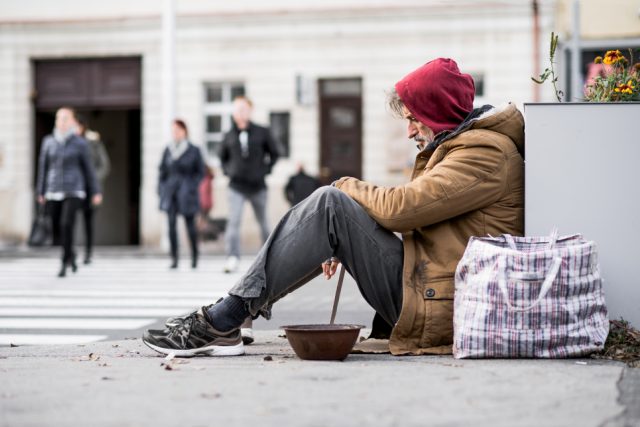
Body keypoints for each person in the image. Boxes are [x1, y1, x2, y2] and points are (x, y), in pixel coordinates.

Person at [142, 58, 524, 357]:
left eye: (413, 119)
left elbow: (403, 209)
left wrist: (345, 187)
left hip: (443, 307)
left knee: (332, 201)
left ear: (439, 111)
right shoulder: (461, 147)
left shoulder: (484, 152)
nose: (409, 130)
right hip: (432, 290)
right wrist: (346, 241)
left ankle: (224, 319)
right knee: (335, 211)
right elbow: (422, 220)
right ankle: (231, 315)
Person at [36, 107, 102, 277]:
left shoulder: (80, 143)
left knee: (67, 223)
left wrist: (95, 191)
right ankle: (71, 254)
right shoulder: (48, 141)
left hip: (75, 190)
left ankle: (64, 262)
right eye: (59, 118)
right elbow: (43, 168)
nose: (62, 121)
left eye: (65, 118)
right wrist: (40, 191)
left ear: (72, 121)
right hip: (53, 190)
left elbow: (89, 169)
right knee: (57, 227)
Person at [217, 96, 280, 274]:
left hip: (258, 185)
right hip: (236, 186)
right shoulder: (228, 135)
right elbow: (222, 158)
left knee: (264, 223)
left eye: (244, 109)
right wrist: (228, 171)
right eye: (237, 109)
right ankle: (232, 257)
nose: (240, 112)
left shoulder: (262, 131)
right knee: (234, 222)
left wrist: (265, 170)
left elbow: (274, 153)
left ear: (250, 111)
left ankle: (270, 258)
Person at [158, 119, 205, 269]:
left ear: (184, 131)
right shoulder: (168, 149)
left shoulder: (193, 150)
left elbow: (201, 172)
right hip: (171, 192)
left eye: (178, 130)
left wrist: (192, 185)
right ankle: (174, 258)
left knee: (190, 226)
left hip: (187, 192)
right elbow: (162, 171)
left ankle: (194, 256)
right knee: (171, 226)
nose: (175, 133)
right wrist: (162, 188)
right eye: (173, 131)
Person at [75, 115, 110, 265]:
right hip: (73, 187)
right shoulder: (68, 142)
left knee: (88, 221)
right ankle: (71, 251)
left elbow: (104, 165)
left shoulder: (93, 142)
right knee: (69, 220)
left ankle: (88, 252)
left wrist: (93, 179)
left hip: (90, 188)